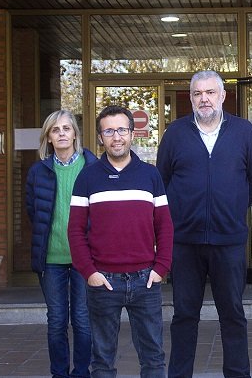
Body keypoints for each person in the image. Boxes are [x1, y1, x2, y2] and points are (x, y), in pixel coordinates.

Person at [156, 70, 252, 378]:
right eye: (197, 93)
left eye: (210, 93)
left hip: (229, 241)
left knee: (232, 314)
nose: (204, 98)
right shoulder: (175, 133)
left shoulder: (244, 131)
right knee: (184, 315)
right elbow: (161, 181)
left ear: (222, 96)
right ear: (190, 98)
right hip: (185, 243)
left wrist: (230, 208)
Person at [70, 105, 174, 378]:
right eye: (109, 131)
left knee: (153, 359)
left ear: (131, 133)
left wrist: (161, 268)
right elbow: (75, 230)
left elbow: (165, 226)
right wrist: (89, 272)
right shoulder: (87, 177)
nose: (116, 137)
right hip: (103, 281)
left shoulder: (150, 176)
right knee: (102, 361)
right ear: (101, 136)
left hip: (145, 280)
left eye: (122, 130)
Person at [25, 109, 98, 378]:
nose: (62, 134)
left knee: (81, 319)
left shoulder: (93, 167)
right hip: (51, 259)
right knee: (56, 321)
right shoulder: (38, 171)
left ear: (75, 134)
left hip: (84, 259)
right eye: (56, 130)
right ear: (49, 137)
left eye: (66, 128)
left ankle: (81, 373)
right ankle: (59, 373)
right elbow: (34, 211)